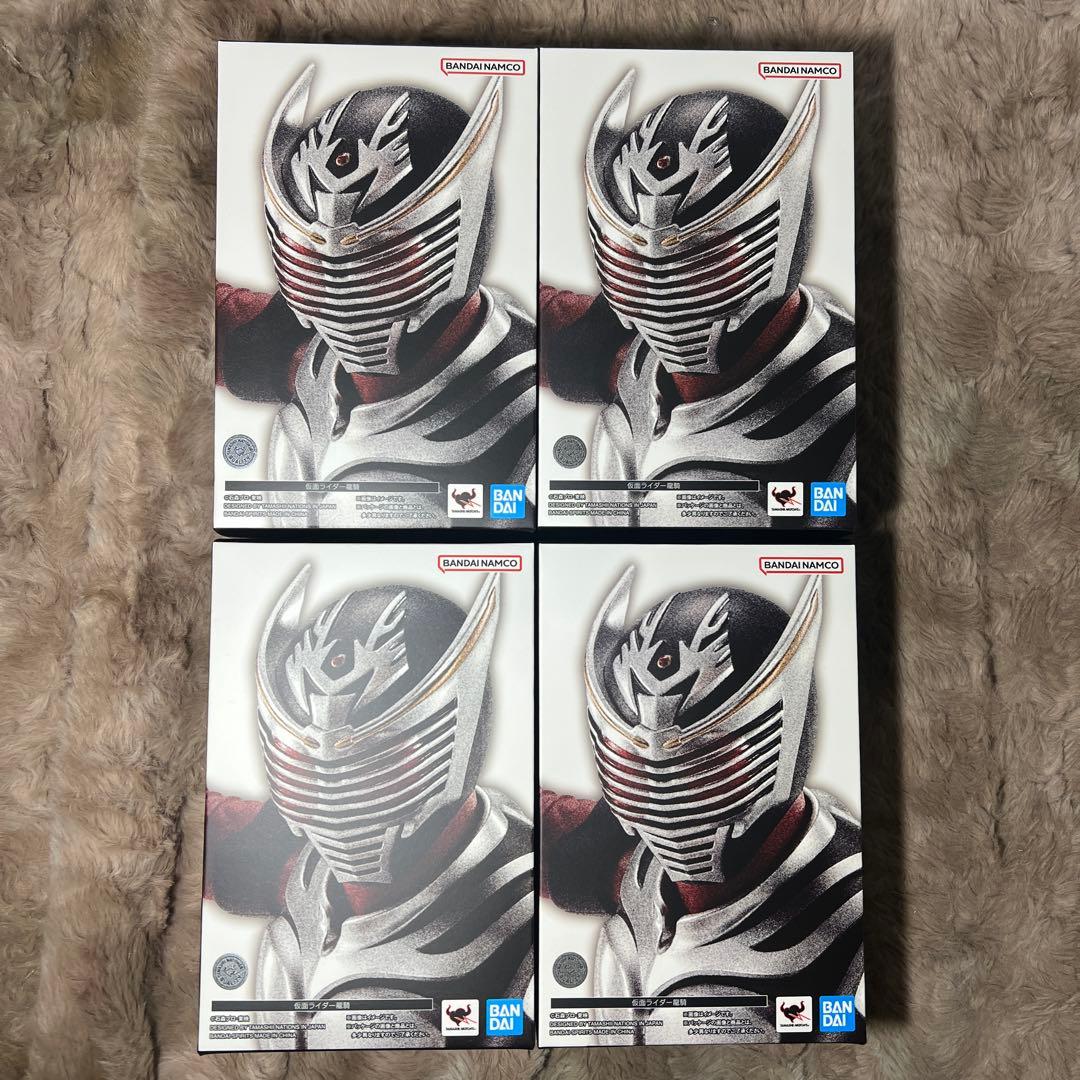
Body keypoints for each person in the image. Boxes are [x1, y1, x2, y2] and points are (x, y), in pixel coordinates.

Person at [204, 569, 533, 1048]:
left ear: (459, 739)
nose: (333, 795)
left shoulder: (523, 927)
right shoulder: (301, 875)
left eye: (379, 762)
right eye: (301, 765)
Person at [541, 570, 864, 1043]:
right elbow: (541, 839)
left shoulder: (859, 939)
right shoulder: (638, 872)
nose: (662, 797)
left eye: (706, 763)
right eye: (631, 765)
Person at [217, 67, 536, 526]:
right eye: (307, 259)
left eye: (383, 261)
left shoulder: (526, 428)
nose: (339, 291)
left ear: (464, 241)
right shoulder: (312, 366)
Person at [541, 74, 855, 526]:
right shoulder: (631, 360)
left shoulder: (853, 428)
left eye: (703, 260)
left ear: (780, 242)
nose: (659, 290)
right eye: (629, 259)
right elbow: (542, 329)